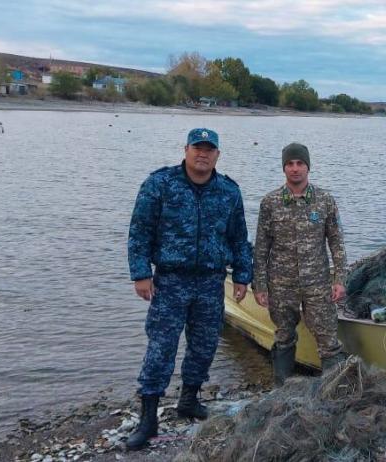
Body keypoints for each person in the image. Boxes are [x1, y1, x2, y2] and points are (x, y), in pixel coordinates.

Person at [125, 128, 253, 449]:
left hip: (211, 282)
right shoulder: (160, 185)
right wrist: (140, 273)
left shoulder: (228, 192)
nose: (203, 154)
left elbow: (238, 238)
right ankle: (149, 417)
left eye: (210, 149)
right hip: (170, 281)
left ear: (217, 155)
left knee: (204, 345)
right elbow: (139, 232)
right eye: (198, 147)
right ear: (186, 149)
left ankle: (189, 400)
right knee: (161, 347)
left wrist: (242, 276)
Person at [252, 142, 348, 385]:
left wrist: (339, 279)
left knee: (328, 341)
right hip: (281, 285)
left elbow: (336, 243)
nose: (295, 169)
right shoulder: (270, 202)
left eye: (300, 163)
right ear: (284, 168)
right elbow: (261, 248)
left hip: (317, 284)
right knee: (284, 336)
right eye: (290, 164)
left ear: (308, 167)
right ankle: (282, 389)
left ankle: (332, 395)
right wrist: (260, 286)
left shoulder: (324, 200)